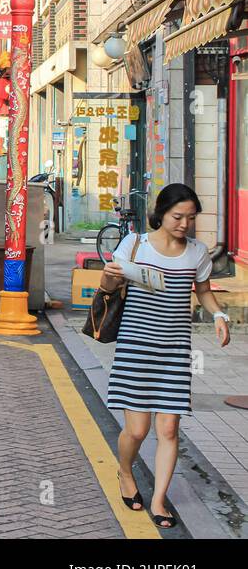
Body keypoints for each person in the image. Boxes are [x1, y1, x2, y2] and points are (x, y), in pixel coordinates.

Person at [101, 184, 231, 530]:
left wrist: (219, 316)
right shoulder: (135, 245)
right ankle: (125, 470)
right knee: (138, 430)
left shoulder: (198, 252)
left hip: (174, 350)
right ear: (161, 213)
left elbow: (202, 291)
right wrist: (109, 276)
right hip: (135, 347)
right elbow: (108, 288)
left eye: (191, 218)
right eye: (178, 216)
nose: (185, 224)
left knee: (169, 428)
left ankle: (159, 499)